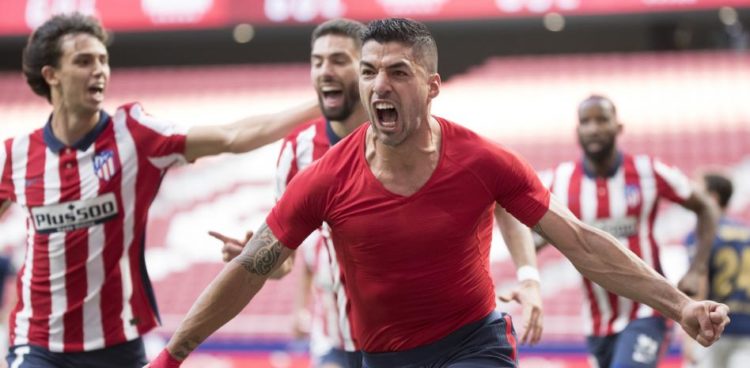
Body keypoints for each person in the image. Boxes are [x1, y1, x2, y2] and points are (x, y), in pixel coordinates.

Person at [148, 18, 729, 368]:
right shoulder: (324, 176)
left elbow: (579, 241)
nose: (379, 84)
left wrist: (679, 305)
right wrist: (173, 354)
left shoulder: (484, 160)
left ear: (431, 87)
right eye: (370, 71)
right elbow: (254, 266)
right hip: (381, 356)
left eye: (397, 72)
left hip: (473, 343)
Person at [207, 18, 544, 368]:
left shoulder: (424, 137)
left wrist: (528, 276)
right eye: (317, 61)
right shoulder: (299, 151)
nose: (326, 71)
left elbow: (503, 198)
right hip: (336, 341)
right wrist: (256, 256)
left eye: (340, 60)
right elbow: (287, 261)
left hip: (420, 338)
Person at [0, 12, 319, 368]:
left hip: (119, 345)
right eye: (84, 61)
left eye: (103, 60)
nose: (99, 70)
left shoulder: (134, 133)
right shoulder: (15, 155)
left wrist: (323, 105)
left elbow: (232, 137)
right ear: (51, 75)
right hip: (39, 346)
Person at [537, 95, 720, 368]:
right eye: (586, 122)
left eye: (602, 119)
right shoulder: (559, 181)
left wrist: (697, 269)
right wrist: (526, 274)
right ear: (577, 132)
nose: (594, 128)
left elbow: (706, 205)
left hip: (647, 310)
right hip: (596, 322)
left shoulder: (649, 171)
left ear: (618, 127)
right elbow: (533, 233)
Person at [683, 173, 750, 368]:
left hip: (713, 324)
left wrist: (689, 338)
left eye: (697, 189)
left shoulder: (702, 232)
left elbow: (698, 282)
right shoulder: (746, 231)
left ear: (712, 197)